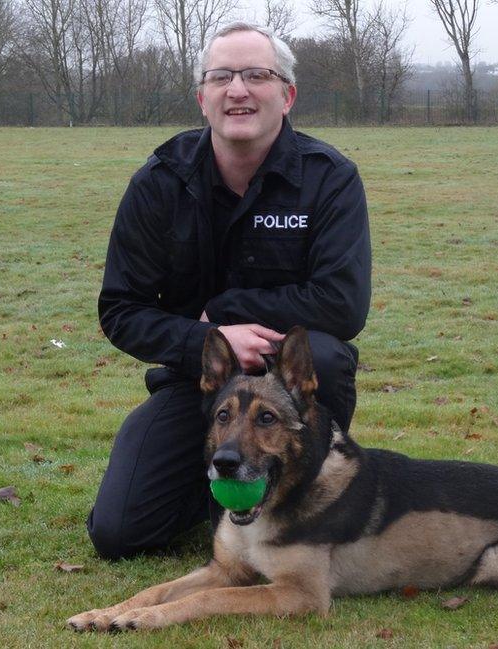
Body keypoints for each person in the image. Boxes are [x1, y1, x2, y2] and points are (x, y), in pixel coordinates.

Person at [87, 22, 372, 560]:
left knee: (327, 359)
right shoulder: (158, 182)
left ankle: (300, 497)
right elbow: (120, 310)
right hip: (201, 382)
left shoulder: (329, 177)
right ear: (202, 97)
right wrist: (208, 343)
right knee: (119, 533)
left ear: (286, 95)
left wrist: (224, 311)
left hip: (290, 385)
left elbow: (342, 302)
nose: (237, 89)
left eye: (256, 75)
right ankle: (213, 486)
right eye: (220, 77)